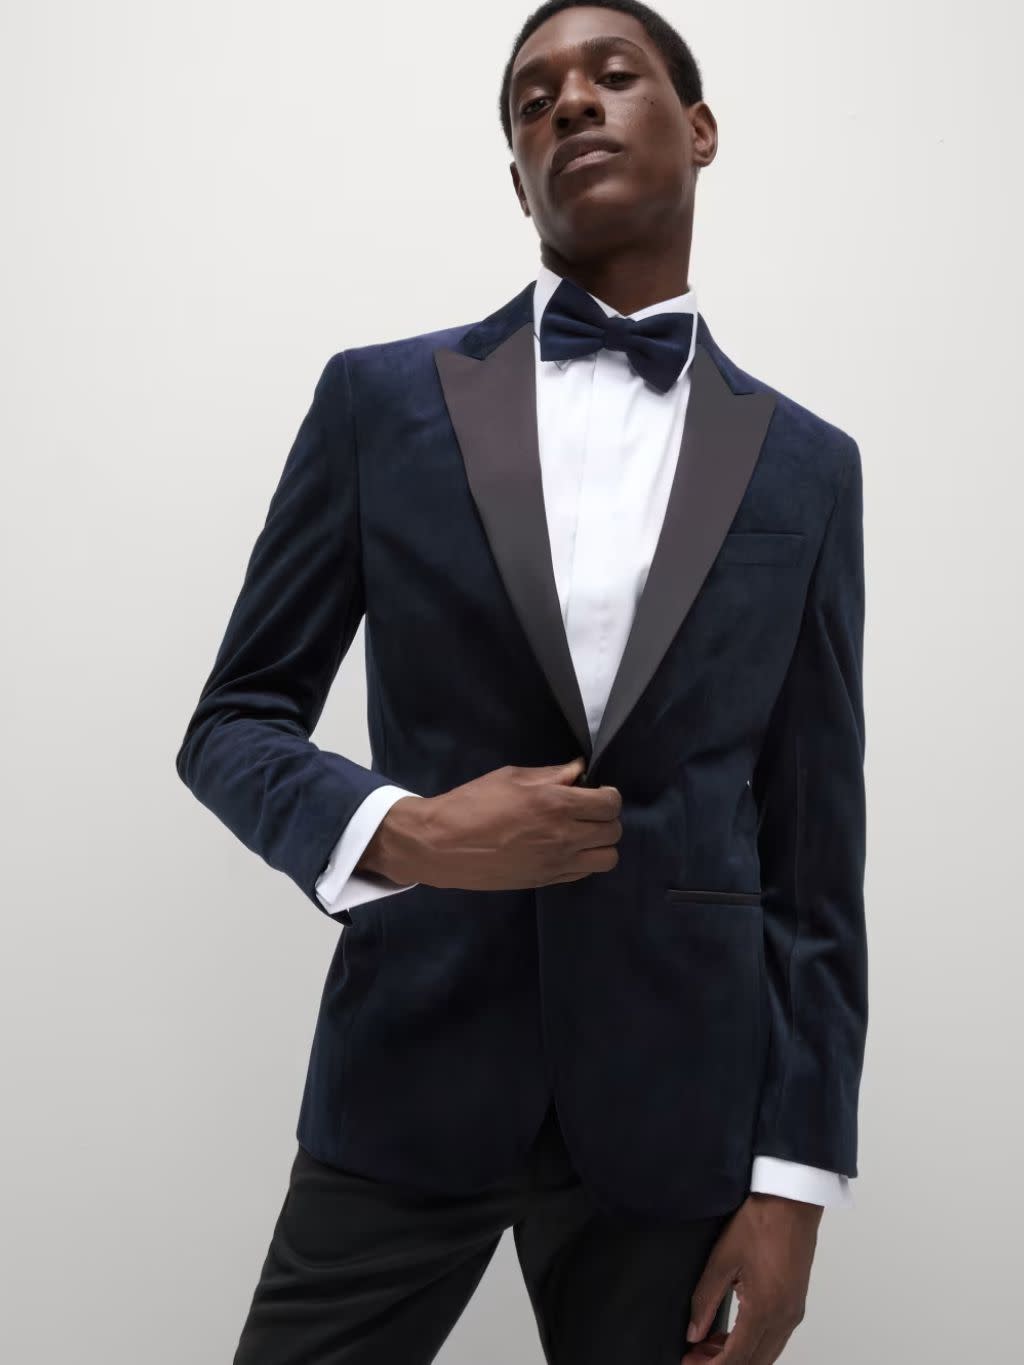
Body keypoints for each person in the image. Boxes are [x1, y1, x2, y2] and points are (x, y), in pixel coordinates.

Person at [174, 2, 868, 1360]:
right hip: (410, 1070)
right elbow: (232, 722)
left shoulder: (808, 465)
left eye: (614, 75)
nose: (571, 104)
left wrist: (796, 1185)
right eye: (533, 99)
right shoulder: (379, 403)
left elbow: (814, 851)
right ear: (517, 177)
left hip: (678, 1105)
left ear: (700, 129)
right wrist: (409, 831)